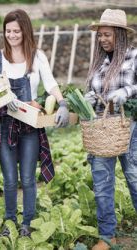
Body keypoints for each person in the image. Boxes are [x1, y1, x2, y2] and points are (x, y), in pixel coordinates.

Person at [0, 9, 69, 237]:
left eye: (17, 31)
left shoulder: (37, 56)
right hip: (4, 124)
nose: (12, 35)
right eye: (8, 31)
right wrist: (6, 97)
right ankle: (10, 222)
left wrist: (62, 103)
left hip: (30, 124)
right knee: (11, 180)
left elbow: (50, 84)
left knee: (29, 179)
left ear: (25, 30)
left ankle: (27, 222)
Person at [84, 9, 137, 250]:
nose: (102, 39)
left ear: (119, 34)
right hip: (101, 129)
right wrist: (85, 99)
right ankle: (107, 236)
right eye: (100, 35)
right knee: (102, 184)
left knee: (134, 179)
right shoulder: (99, 62)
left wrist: (126, 92)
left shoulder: (134, 56)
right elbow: (92, 92)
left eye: (107, 35)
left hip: (128, 127)